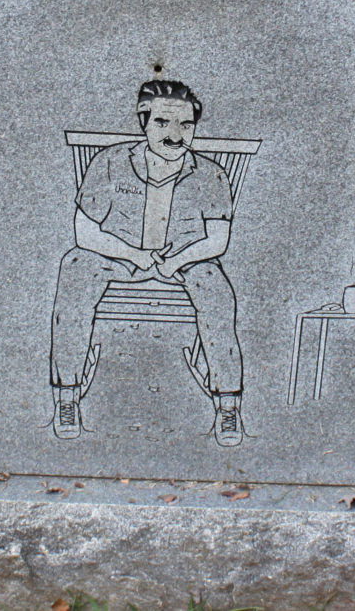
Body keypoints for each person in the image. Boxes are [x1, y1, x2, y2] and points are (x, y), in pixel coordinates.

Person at [50, 80, 245, 446]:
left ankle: (228, 403)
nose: (175, 136)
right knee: (74, 267)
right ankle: (67, 395)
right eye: (163, 123)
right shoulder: (109, 162)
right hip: (119, 255)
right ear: (143, 121)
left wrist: (178, 261)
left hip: (185, 259)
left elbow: (217, 240)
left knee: (217, 292)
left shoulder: (211, 174)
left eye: (186, 126)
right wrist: (133, 255)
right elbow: (84, 233)